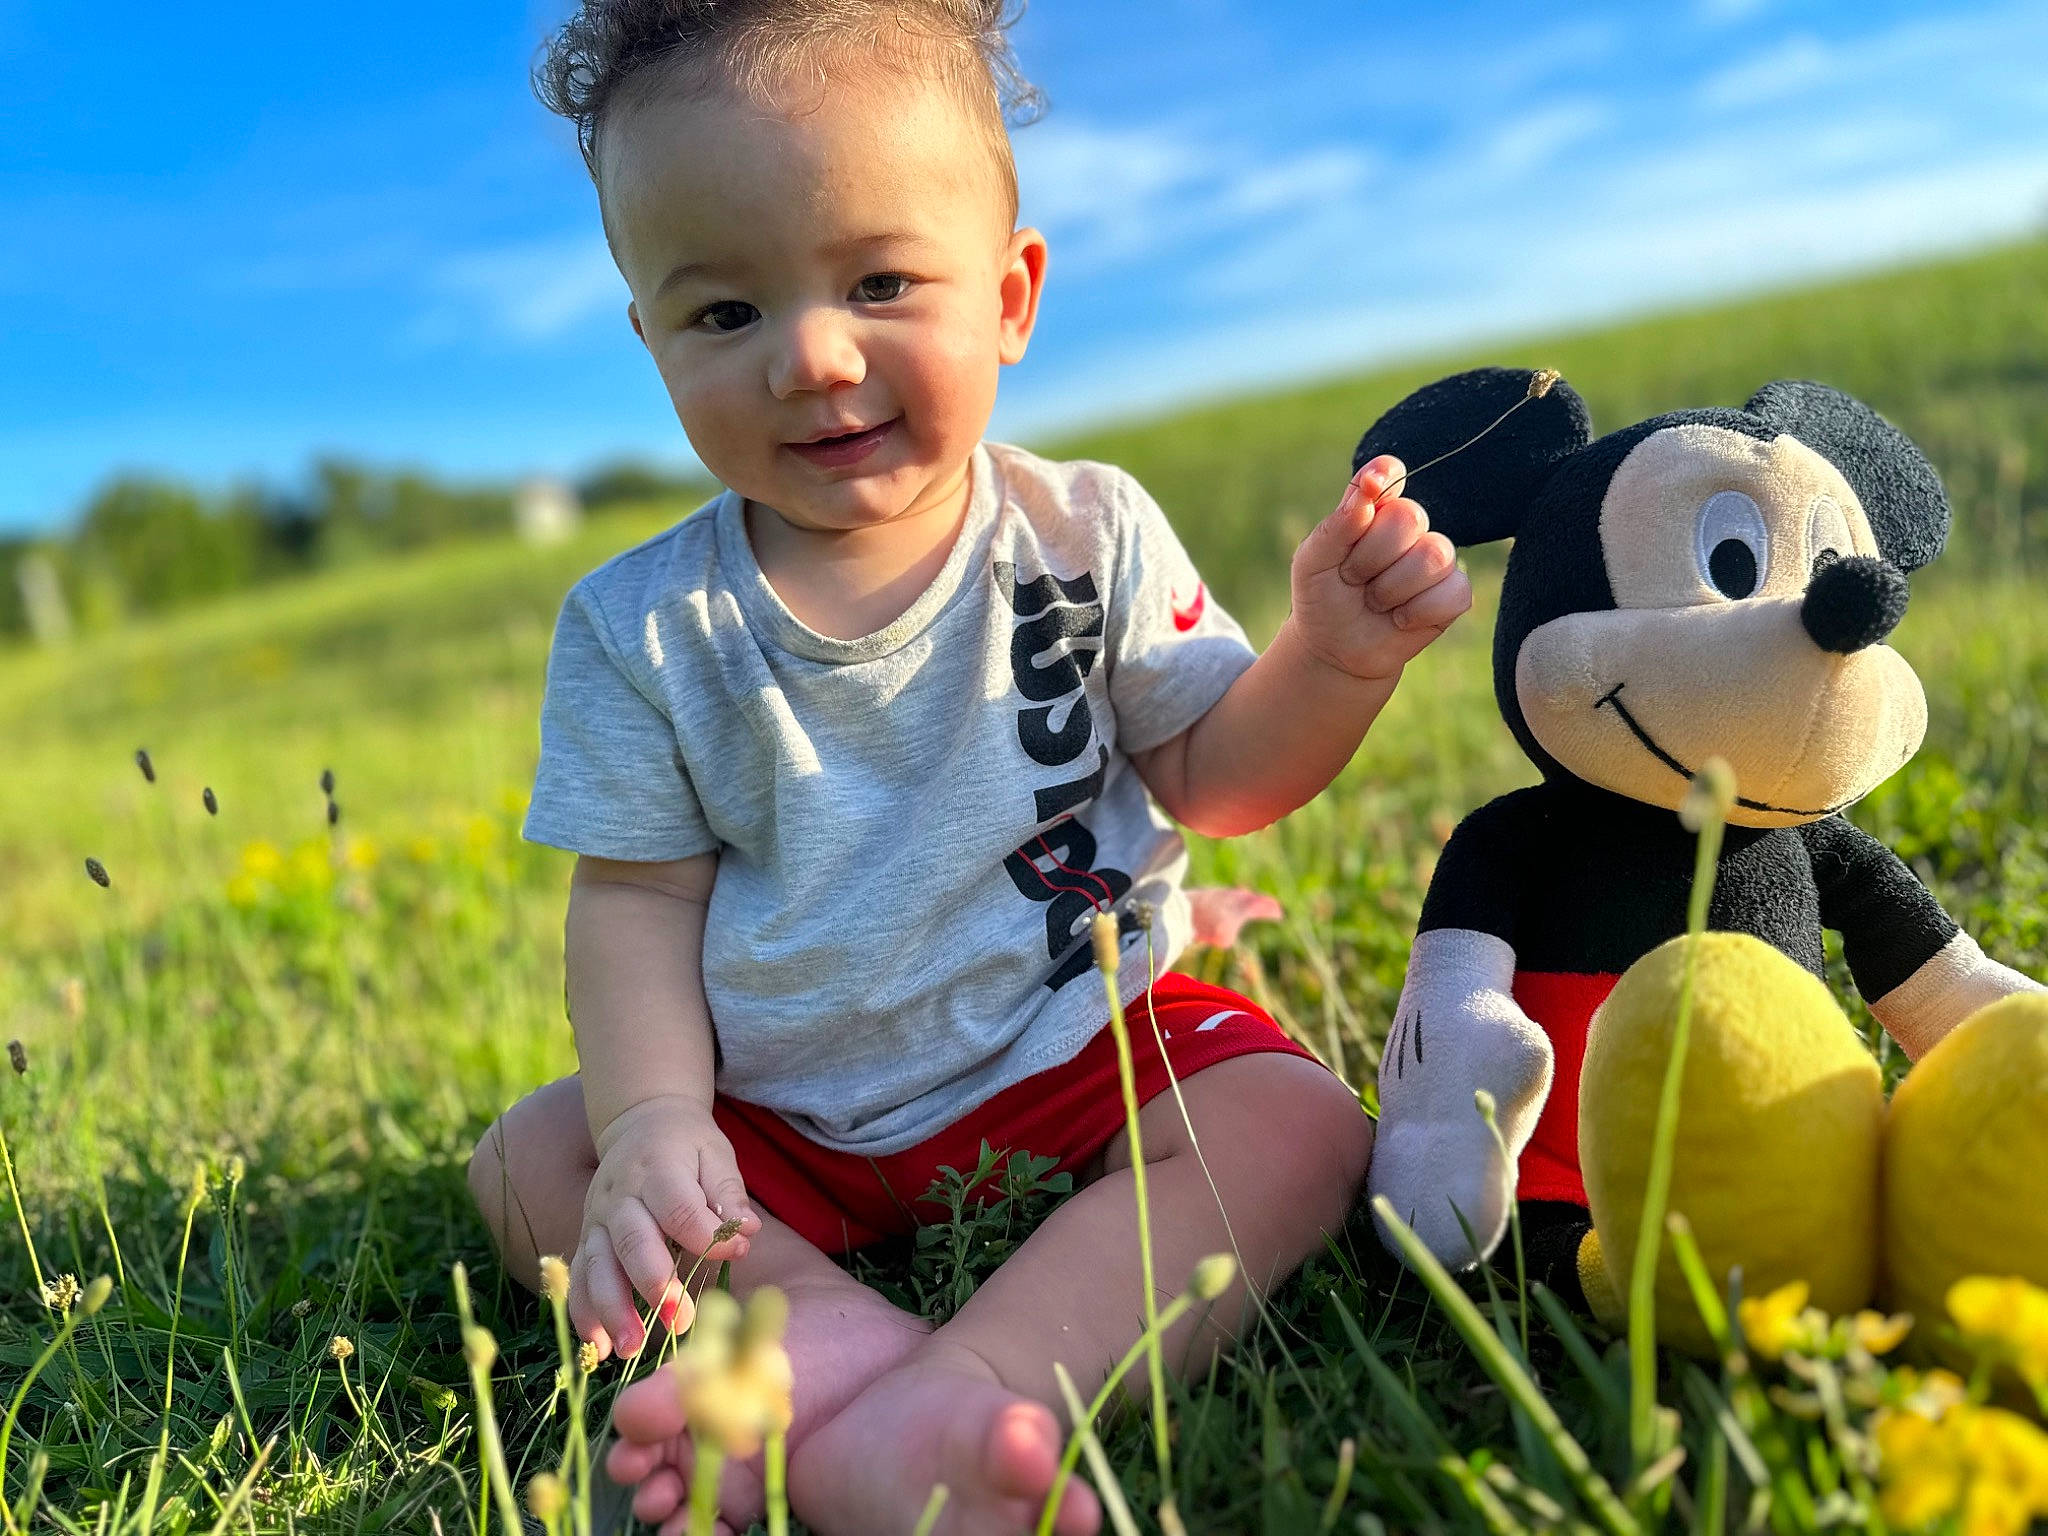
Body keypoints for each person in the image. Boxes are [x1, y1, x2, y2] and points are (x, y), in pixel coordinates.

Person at [469, 2, 1472, 1530]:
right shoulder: (641, 628)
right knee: (538, 1154)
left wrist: (1329, 662)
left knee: (1299, 1123)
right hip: (783, 1119)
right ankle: (806, 1321)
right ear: (651, 339)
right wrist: (658, 1125)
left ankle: (980, 1387)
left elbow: (1214, 777)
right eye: (723, 314)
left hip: (1079, 1049)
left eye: (879, 281)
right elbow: (631, 907)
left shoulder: (1084, 532)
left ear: (1009, 296)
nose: (811, 356)